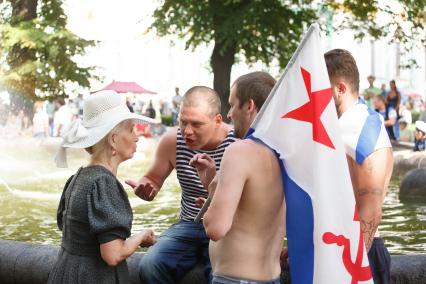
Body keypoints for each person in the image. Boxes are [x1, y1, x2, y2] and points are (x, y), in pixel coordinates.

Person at [126, 86, 236, 283]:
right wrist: (146, 187)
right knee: (149, 265)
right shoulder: (172, 141)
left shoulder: (238, 143)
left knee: (222, 274)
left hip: (229, 227)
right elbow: (152, 178)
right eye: (183, 122)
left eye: (196, 124)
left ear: (218, 121)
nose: (187, 131)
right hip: (190, 224)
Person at [48, 91, 156, 284]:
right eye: (132, 129)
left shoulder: (78, 177)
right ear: (113, 139)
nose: (137, 136)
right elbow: (113, 254)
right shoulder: (103, 183)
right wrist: (141, 237)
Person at [190, 72, 285, 284]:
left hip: (236, 279)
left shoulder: (240, 151)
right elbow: (254, 211)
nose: (229, 114)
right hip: (272, 277)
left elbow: (216, 228)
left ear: (249, 105)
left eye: (232, 105)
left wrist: (210, 209)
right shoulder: (284, 153)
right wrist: (214, 185)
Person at [324, 49, 393, 284]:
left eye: (321, 89)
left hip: (361, 253)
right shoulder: (344, 126)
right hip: (342, 248)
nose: (314, 97)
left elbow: (371, 209)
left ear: (340, 88)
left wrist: (351, 266)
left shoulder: (364, 129)